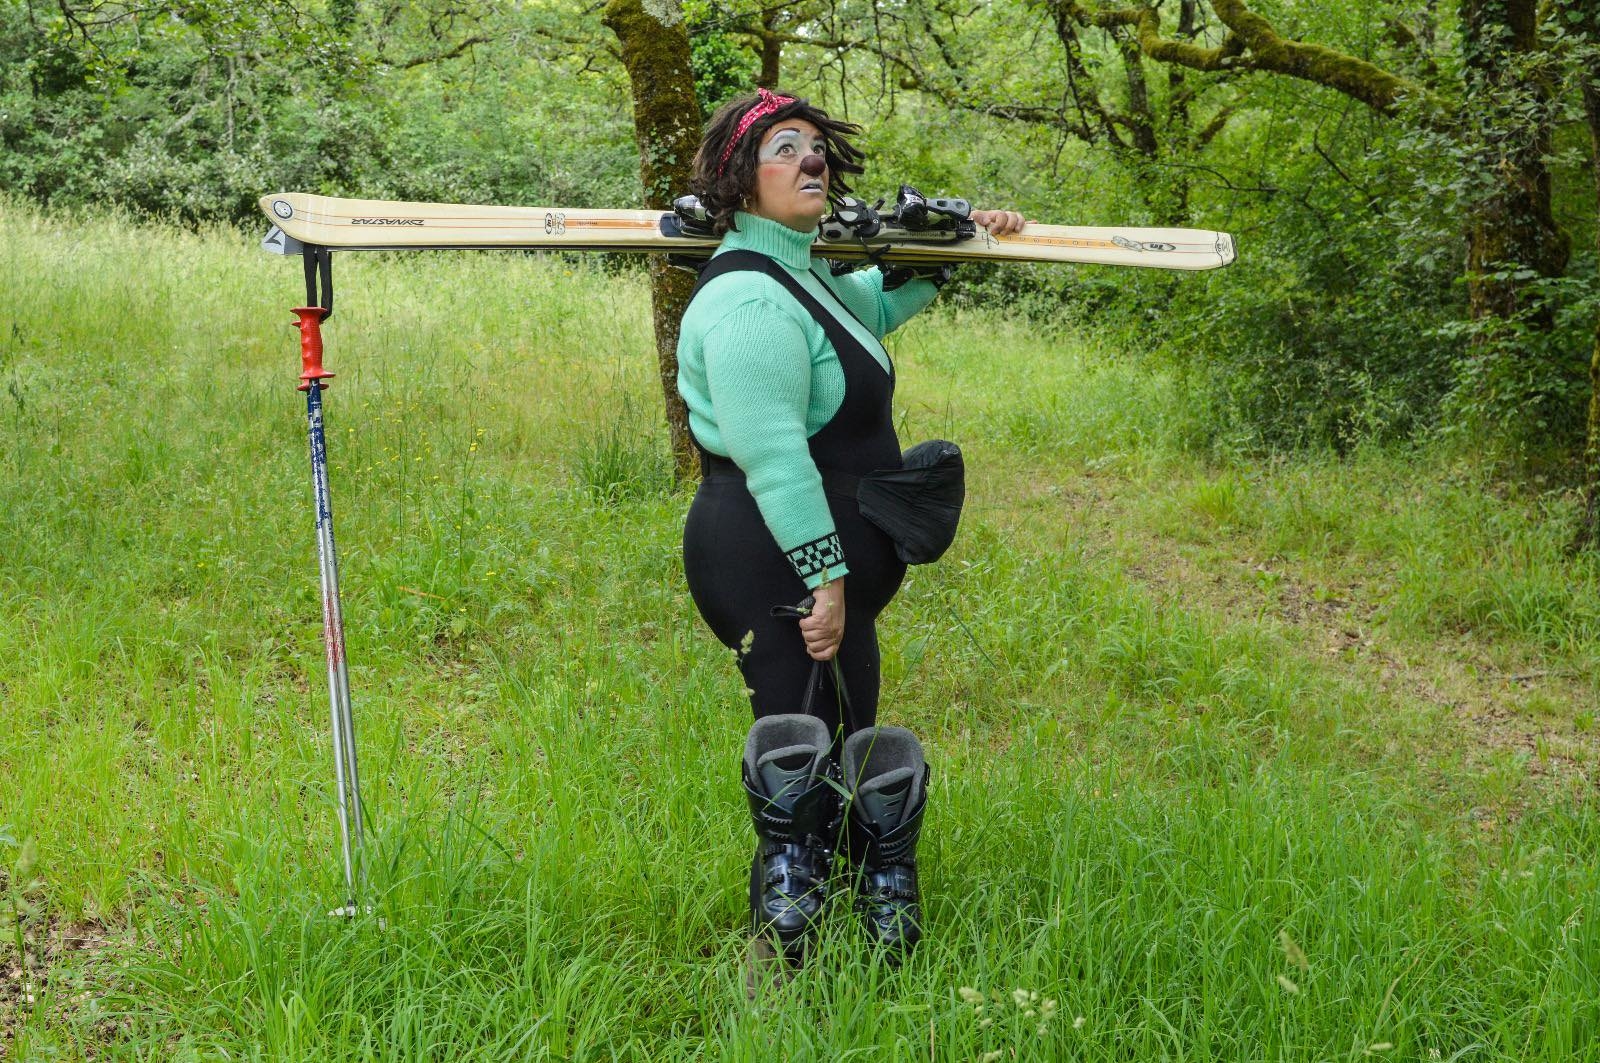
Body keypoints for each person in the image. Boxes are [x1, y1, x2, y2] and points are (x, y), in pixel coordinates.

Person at [676, 88, 1024, 967]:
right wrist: (827, 577)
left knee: (843, 737)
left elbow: (863, 313)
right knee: (795, 756)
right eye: (785, 148)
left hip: (813, 564)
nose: (811, 161)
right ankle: (779, 952)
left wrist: (950, 251)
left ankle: (862, 916)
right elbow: (776, 460)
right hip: (770, 557)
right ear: (738, 178)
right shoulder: (748, 304)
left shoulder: (800, 270)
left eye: (817, 146)